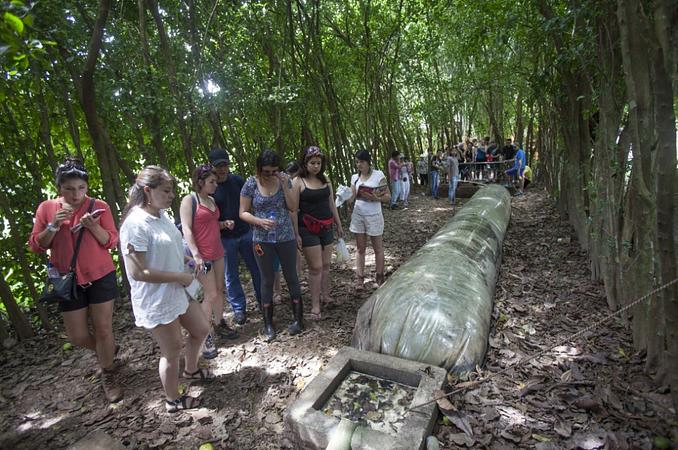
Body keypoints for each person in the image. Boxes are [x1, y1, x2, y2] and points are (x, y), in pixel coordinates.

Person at [120, 166, 212, 413]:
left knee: (201, 329)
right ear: (148, 191)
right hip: (157, 299)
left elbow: (170, 247)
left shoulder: (161, 215)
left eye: (172, 191)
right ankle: (173, 399)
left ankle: (191, 370)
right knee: (172, 351)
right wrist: (180, 276)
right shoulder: (135, 224)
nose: (171, 196)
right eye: (166, 191)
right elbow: (138, 272)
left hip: (178, 289)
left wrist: (188, 261)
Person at [29, 158, 122, 403]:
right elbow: (37, 245)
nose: (76, 194)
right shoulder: (47, 208)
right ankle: (109, 353)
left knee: (103, 329)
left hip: (100, 275)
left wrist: (93, 226)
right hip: (67, 279)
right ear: (60, 187)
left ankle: (108, 372)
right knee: (77, 336)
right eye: (69, 188)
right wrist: (53, 225)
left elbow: (111, 241)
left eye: (81, 188)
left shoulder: (98, 205)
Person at [239, 150, 303, 342]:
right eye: (266, 171)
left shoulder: (284, 180)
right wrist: (259, 221)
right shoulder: (250, 183)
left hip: (285, 237)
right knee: (266, 279)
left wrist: (284, 185)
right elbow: (242, 212)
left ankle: (298, 319)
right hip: (261, 239)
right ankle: (268, 324)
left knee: (291, 275)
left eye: (274, 171)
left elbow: (292, 207)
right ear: (259, 169)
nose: (271, 174)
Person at [180, 164, 230, 360]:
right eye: (211, 182)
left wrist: (223, 224)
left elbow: (209, 224)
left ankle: (218, 324)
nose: (215, 184)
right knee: (208, 295)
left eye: (216, 181)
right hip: (202, 256)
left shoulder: (211, 200)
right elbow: (187, 229)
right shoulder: (189, 201)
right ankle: (204, 335)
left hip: (218, 251)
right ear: (200, 182)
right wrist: (196, 255)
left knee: (219, 290)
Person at [209, 149, 262, 327]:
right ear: (212, 167)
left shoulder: (238, 181)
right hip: (224, 238)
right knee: (230, 274)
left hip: (245, 232)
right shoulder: (211, 187)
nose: (223, 169)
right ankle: (239, 309)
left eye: (225, 164)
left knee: (256, 267)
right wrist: (222, 223)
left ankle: (263, 301)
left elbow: (250, 201)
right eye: (219, 166)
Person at [292, 146, 344, 320]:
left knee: (326, 265)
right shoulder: (298, 181)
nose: (316, 166)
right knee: (316, 267)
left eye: (318, 163)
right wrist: (296, 234)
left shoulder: (325, 179)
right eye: (312, 163)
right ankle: (315, 305)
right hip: (307, 229)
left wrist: (338, 223)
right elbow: (293, 210)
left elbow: (331, 203)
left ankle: (326, 295)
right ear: (305, 163)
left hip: (326, 226)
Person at [348, 150, 391, 288]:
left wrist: (376, 198)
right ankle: (360, 279)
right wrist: (343, 196)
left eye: (362, 162)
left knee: (377, 247)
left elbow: (388, 196)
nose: (359, 165)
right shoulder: (355, 177)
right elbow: (351, 198)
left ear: (368, 162)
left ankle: (379, 277)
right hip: (358, 214)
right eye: (357, 162)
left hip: (374, 215)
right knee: (360, 248)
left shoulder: (378, 175)